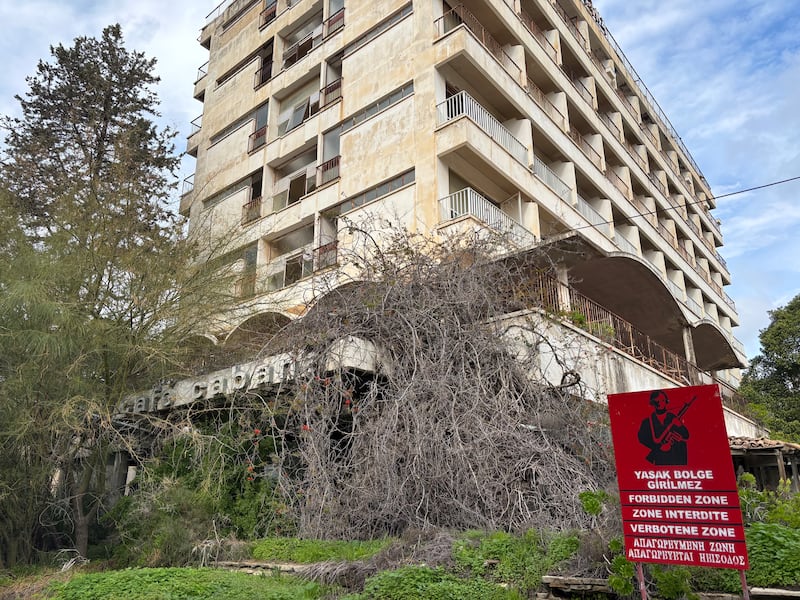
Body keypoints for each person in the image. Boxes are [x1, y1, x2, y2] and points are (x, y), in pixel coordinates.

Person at [637, 390, 690, 466]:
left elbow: (686, 435)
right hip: (661, 460)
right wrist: (660, 447)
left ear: (666, 401)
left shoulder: (672, 417)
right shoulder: (648, 421)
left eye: (662, 400)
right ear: (652, 403)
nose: (660, 403)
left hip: (676, 459)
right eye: (656, 401)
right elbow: (642, 438)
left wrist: (680, 425)